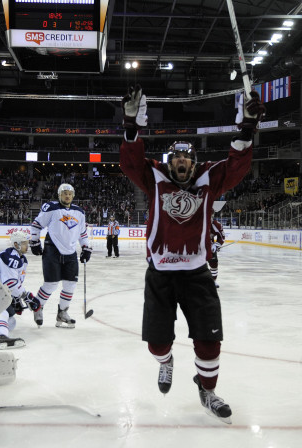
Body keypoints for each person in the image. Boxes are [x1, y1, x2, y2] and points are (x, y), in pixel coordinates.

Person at [119, 84, 265, 422]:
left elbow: (237, 166)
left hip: (197, 274)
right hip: (160, 275)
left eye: (186, 157)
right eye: (176, 157)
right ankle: (166, 362)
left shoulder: (208, 178)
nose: (181, 161)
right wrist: (130, 126)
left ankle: (207, 390)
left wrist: (246, 127)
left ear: (193, 162)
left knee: (209, 344)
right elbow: (130, 162)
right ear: (169, 162)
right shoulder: (153, 176)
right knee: (157, 344)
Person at [28, 183, 92, 329]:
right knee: (51, 284)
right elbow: (37, 225)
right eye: (64, 193)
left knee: (71, 284)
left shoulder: (79, 212)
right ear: (59, 195)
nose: (67, 195)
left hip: (70, 252)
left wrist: (86, 247)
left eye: (70, 193)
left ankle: (62, 313)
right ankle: (38, 307)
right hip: (52, 250)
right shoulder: (51, 207)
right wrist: (34, 241)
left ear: (73, 195)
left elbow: (82, 233)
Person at [0, 231, 35, 349]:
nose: (27, 246)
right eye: (24, 243)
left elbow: (14, 283)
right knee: (1, 309)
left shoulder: (21, 259)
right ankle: (1, 337)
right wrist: (25, 296)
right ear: (16, 244)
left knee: (11, 322)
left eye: (27, 243)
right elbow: (10, 283)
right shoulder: (10, 256)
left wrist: (15, 299)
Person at [208, 218, 225, 288]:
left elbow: (222, 237)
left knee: (214, 263)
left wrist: (216, 245)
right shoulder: (195, 222)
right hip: (196, 246)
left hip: (210, 246)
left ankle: (213, 280)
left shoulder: (216, 224)